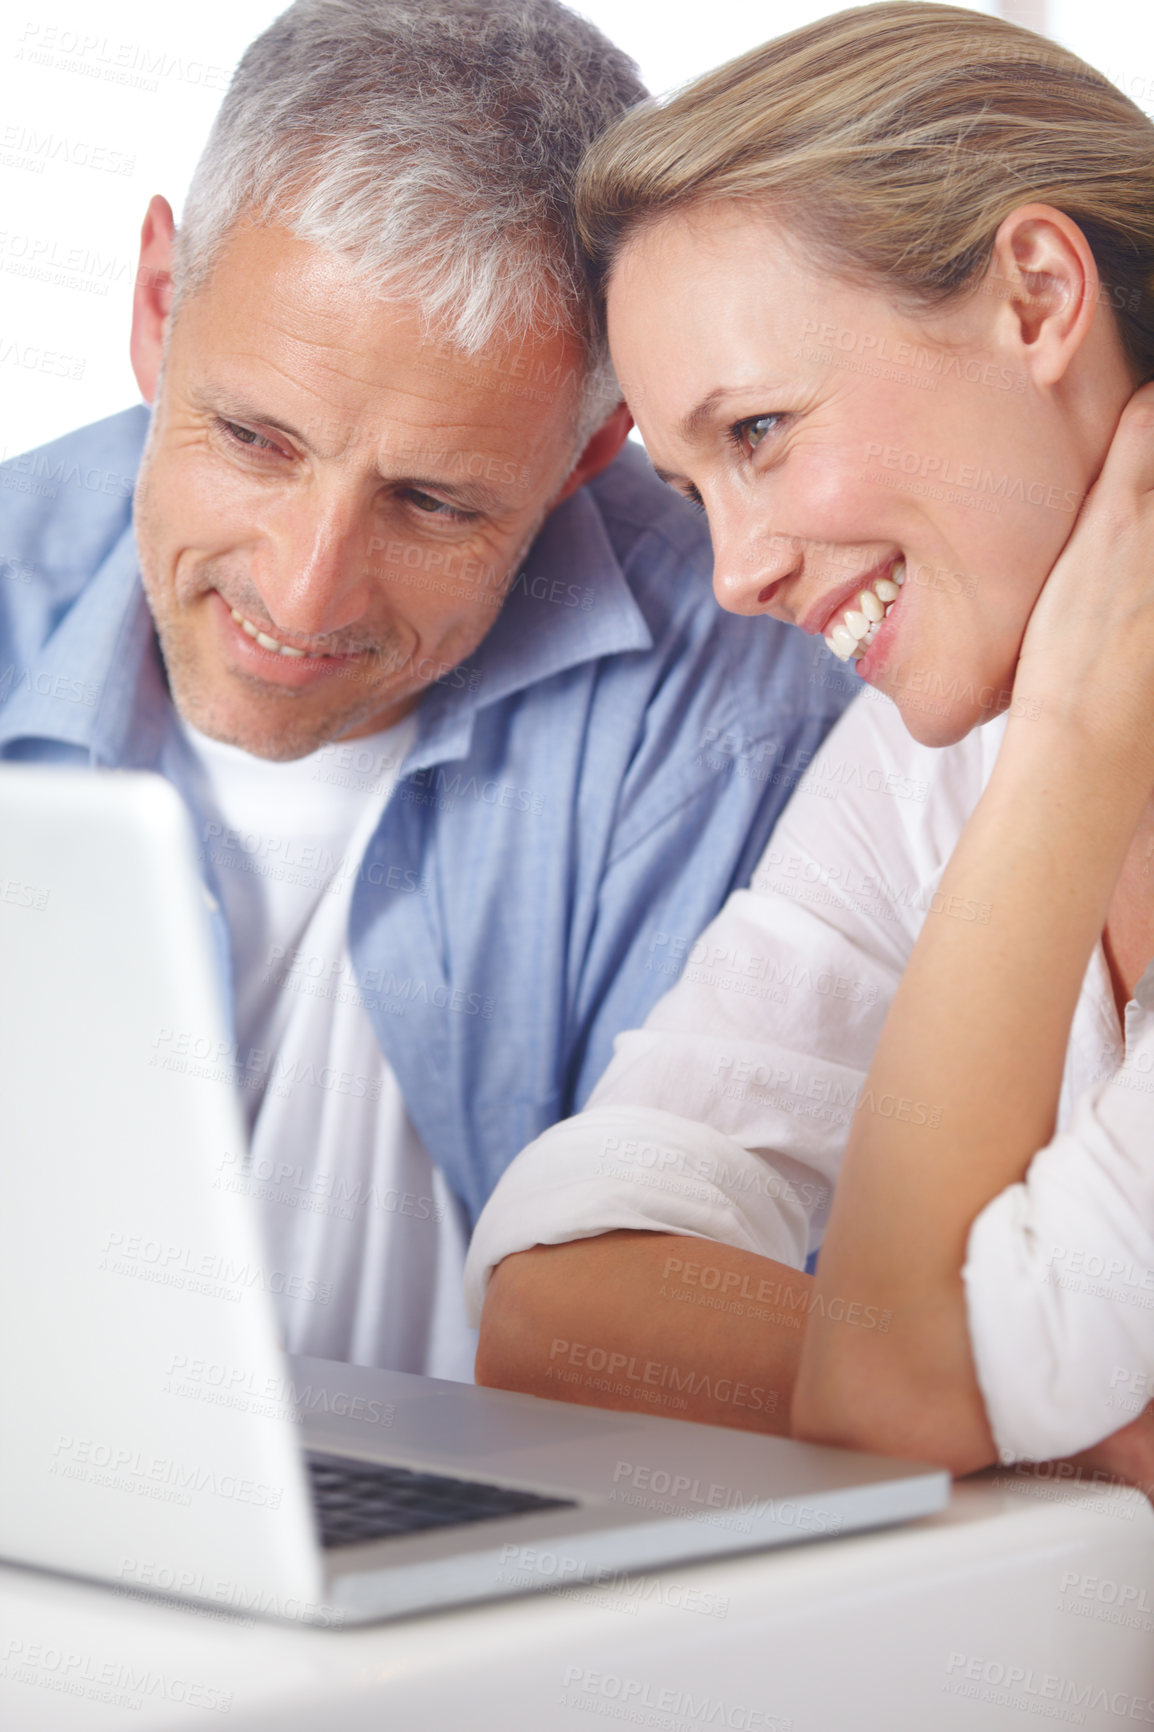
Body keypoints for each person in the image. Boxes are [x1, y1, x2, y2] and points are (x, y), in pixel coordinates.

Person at [0, 0, 856, 1382]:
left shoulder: (742, 702)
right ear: (159, 307)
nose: (306, 590)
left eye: (432, 501)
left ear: (587, 457)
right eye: (254, 438)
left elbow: (720, 1337)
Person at [469, 0, 1154, 1484]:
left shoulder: (1019, 727)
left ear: (1036, 297)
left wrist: (1071, 752)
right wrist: (1084, 1426)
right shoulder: (934, 748)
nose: (735, 574)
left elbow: (892, 1390)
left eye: (760, 431)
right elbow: (557, 1295)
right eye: (694, 483)